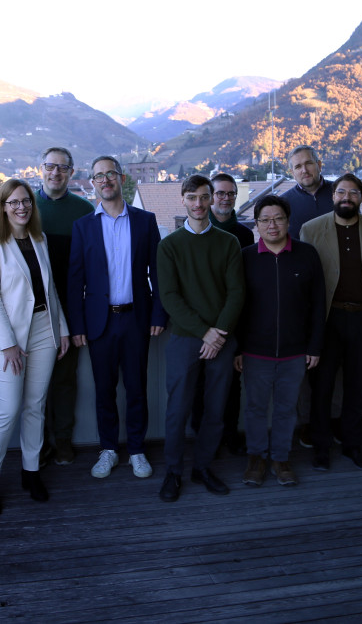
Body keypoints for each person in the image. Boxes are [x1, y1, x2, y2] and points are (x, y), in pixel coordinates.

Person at [67, 156, 167, 481]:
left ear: (121, 178)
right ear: (92, 183)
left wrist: (157, 312)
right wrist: (78, 326)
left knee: (136, 389)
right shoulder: (82, 226)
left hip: (136, 319)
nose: (105, 180)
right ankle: (108, 448)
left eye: (111, 174)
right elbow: (75, 280)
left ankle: (137, 450)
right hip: (100, 323)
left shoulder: (144, 221)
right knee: (104, 389)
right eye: (99, 176)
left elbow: (158, 272)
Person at [0, 179, 70, 516]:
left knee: (36, 406)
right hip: (8, 341)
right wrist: (8, 346)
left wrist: (61, 329)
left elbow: (50, 289)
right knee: (6, 412)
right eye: (14, 202)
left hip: (44, 331)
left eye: (26, 202)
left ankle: (30, 474)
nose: (21, 207)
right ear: (2, 206)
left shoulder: (38, 238)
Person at [157, 175, 245, 502]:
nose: (198, 203)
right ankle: (173, 471)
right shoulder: (169, 246)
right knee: (177, 410)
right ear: (183, 199)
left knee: (215, 408)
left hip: (221, 340)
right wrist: (204, 332)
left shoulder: (228, 243)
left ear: (212, 200)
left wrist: (217, 334)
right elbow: (169, 297)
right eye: (192, 197)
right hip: (185, 339)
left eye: (204, 197)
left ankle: (203, 467)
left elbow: (237, 293)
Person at [235, 196, 326, 487]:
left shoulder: (307, 254)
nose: (272, 225)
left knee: (288, 409)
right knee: (256, 408)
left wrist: (314, 346)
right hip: (254, 351)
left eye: (278, 219)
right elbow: (236, 306)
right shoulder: (245, 257)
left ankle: (281, 459)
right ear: (257, 224)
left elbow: (318, 303)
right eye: (265, 219)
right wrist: (237, 347)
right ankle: (256, 459)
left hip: (295, 351)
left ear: (288, 221)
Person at [300, 173, 362, 472]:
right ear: (332, 196)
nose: (346, 197)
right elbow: (307, 282)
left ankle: (353, 446)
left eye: (352, 192)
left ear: (361, 197)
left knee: (357, 387)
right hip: (328, 318)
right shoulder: (311, 230)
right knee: (321, 387)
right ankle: (321, 447)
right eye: (340, 192)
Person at [35, 147, 95, 466]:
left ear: (72, 173)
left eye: (62, 168)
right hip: (32, 312)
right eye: (50, 166)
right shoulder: (23, 207)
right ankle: (37, 443)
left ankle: (62, 442)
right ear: (40, 169)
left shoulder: (84, 210)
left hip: (71, 310)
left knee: (64, 381)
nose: (55, 173)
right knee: (35, 383)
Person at [190, 172, 253, 456]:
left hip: (232, 323)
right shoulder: (198, 228)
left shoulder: (244, 234)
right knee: (200, 384)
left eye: (230, 193)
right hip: (200, 325)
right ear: (209, 197)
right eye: (220, 193)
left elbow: (244, 285)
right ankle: (203, 440)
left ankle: (229, 435)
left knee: (231, 384)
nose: (225, 198)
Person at [282, 145, 336, 449]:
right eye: (297, 167)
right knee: (304, 368)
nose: (304, 170)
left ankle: (332, 420)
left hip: (341, 295)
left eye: (308, 164)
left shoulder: (339, 196)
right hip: (301, 300)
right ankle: (305, 424)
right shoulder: (286, 204)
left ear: (319, 164)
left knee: (335, 366)